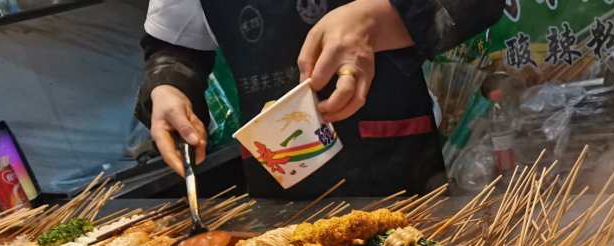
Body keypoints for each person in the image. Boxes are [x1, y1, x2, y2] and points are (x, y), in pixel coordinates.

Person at [136, 0, 503, 198]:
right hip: (276, 181)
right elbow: (174, 44)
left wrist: (379, 18)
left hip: (400, 168)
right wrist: (169, 85)